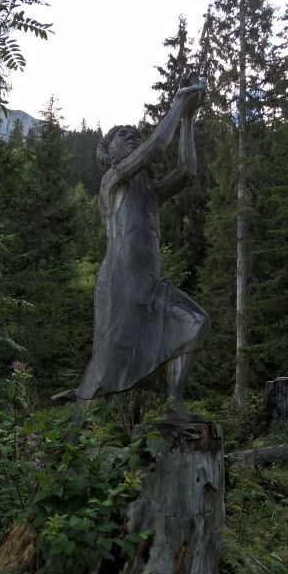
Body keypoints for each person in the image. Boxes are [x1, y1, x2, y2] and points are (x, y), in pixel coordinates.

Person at [75, 77, 209, 421]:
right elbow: (155, 147)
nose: (133, 136)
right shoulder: (113, 179)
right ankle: (80, 429)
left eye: (136, 133)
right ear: (109, 150)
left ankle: (173, 407)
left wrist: (188, 118)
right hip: (120, 281)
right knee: (108, 360)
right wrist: (178, 104)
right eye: (124, 135)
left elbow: (186, 172)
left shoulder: (148, 189)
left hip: (152, 281)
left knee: (195, 322)